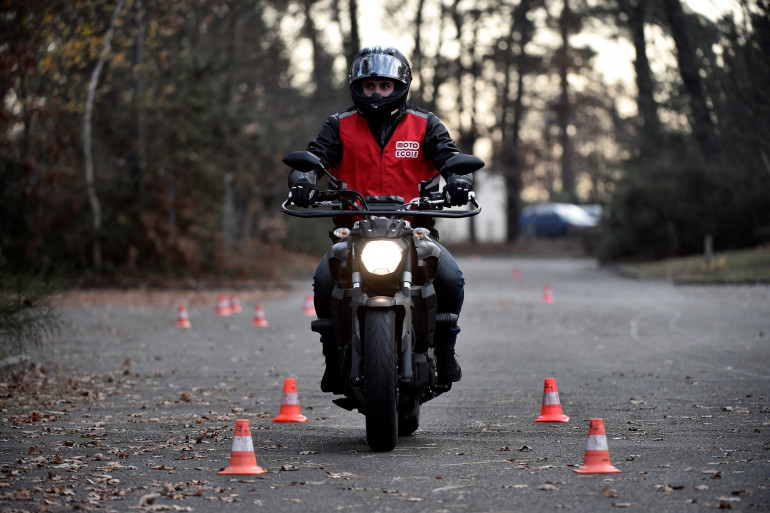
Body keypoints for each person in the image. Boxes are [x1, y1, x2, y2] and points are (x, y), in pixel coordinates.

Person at [288, 46, 476, 393]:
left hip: (414, 229)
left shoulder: (425, 125)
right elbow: (314, 158)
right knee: (324, 278)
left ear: (400, 87)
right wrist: (303, 181)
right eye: (370, 85)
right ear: (358, 87)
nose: (377, 93)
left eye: (384, 86)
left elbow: (449, 158)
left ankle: (446, 352)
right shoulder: (339, 125)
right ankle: (332, 357)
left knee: (451, 276)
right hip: (354, 230)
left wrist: (459, 182)